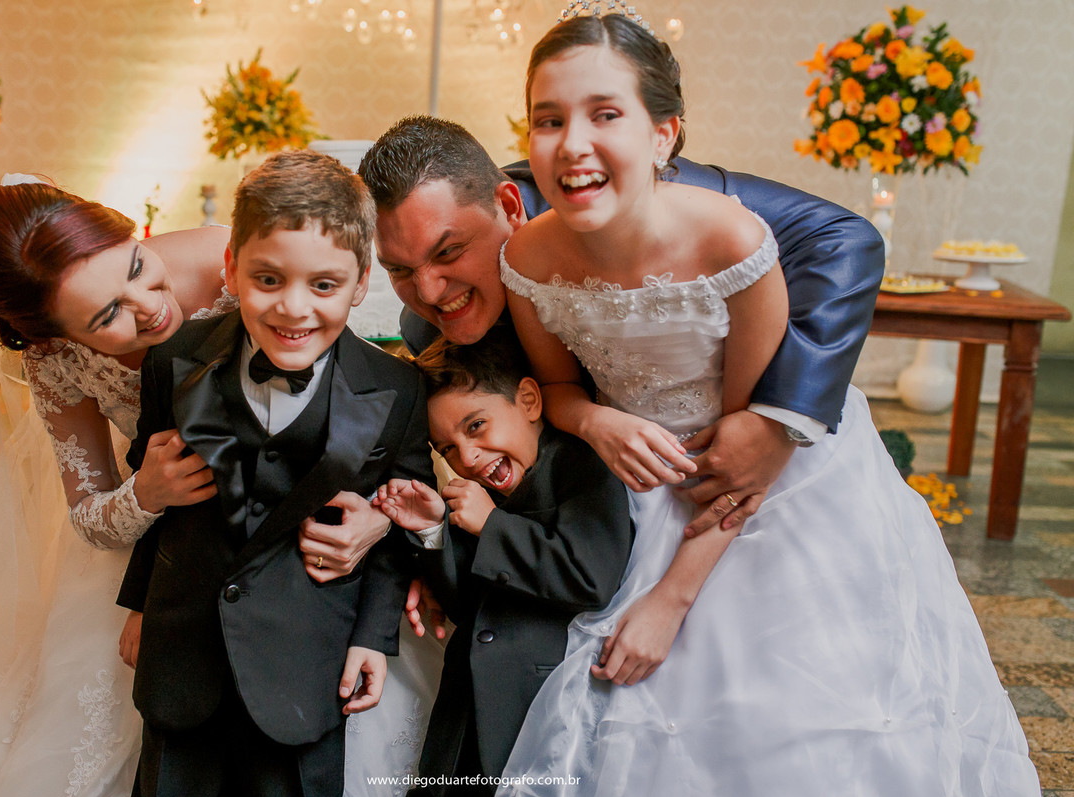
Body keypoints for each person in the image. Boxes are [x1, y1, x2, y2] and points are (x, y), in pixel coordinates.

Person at [492, 12, 1039, 797]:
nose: (571, 143)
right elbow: (564, 391)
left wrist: (670, 600)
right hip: (638, 483)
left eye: (605, 113)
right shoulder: (526, 257)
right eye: (549, 120)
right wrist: (596, 418)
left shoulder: (734, 244)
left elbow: (753, 456)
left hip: (774, 495)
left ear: (662, 134)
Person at [0, 174, 424, 797]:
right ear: (53, 337)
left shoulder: (250, 262)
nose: (151, 307)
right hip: (174, 549)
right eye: (108, 315)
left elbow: (361, 419)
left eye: (137, 266)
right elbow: (88, 511)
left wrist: (379, 518)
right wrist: (145, 496)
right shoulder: (57, 360)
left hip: (301, 574)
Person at [356, 113, 884, 542]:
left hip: (734, 478)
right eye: (399, 269)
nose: (428, 292)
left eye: (448, 252)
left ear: (510, 207)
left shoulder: (639, 201)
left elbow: (844, 240)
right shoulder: (427, 332)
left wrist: (773, 423)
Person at [116, 150, 436, 797]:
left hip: (307, 663)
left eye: (323, 284)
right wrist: (139, 600)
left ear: (360, 280)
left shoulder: (397, 389)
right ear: (231, 266)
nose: (294, 309)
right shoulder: (172, 362)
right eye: (268, 279)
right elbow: (161, 500)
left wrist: (375, 637)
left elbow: (398, 522)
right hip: (184, 655)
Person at [374, 330, 633, 796]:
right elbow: (467, 605)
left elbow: (591, 577)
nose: (467, 457)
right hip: (468, 710)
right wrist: (434, 532)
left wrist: (491, 526)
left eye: (475, 427)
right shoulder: (486, 497)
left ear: (530, 401)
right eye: (447, 448)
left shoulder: (581, 465)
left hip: (538, 711)